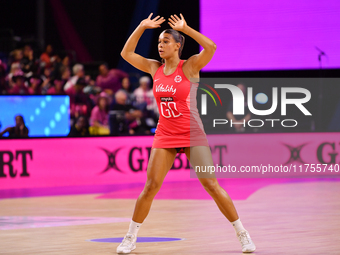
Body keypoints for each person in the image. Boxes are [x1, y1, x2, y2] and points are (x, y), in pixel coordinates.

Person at [117, 13, 256, 254]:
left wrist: (187, 28)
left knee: (211, 185)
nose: (160, 45)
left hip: (192, 134)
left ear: (178, 45)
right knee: (150, 187)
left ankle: (242, 233)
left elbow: (211, 47)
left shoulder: (190, 66)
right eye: (159, 42)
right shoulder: (154, 68)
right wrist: (141, 26)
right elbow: (126, 54)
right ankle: (130, 237)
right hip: (165, 135)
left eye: (166, 41)